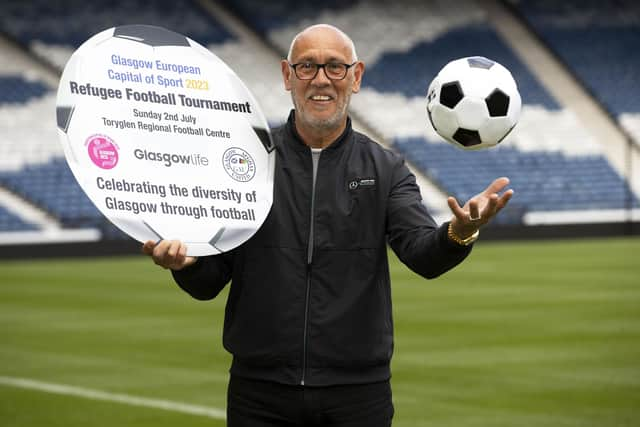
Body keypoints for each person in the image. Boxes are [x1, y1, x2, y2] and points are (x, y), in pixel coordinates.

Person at [143, 24, 513, 427]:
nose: (321, 79)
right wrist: (187, 265)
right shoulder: (245, 164)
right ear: (287, 76)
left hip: (358, 396)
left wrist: (460, 232)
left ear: (356, 77)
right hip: (259, 394)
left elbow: (423, 255)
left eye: (335, 67)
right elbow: (210, 281)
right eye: (307, 67)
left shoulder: (386, 169)